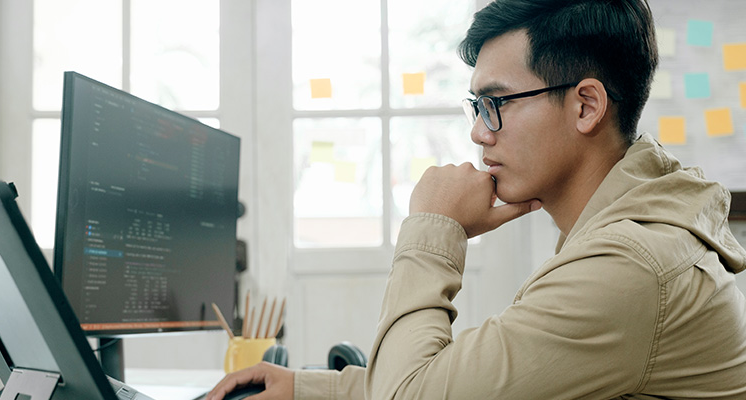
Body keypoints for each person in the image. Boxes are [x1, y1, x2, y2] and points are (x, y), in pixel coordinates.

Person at [208, 0, 746, 398]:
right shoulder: (631, 229)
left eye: (496, 104)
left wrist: (431, 226)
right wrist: (303, 389)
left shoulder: (631, 266)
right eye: (476, 107)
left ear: (586, 106)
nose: (479, 134)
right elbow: (464, 379)